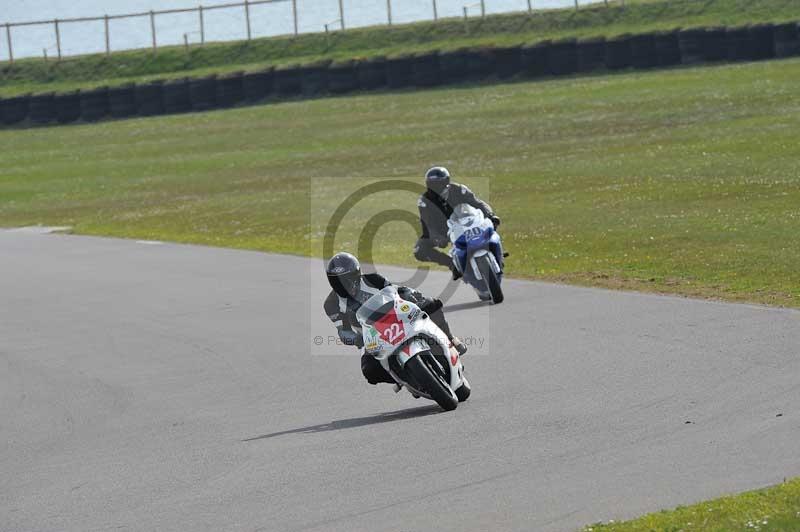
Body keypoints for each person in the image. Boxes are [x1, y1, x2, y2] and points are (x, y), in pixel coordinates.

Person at [323, 252, 467, 385]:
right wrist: (356, 339)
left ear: (356, 274)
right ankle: (406, 378)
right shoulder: (331, 304)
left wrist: (412, 295)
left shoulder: (372, 279)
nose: (343, 284)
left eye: (346, 279)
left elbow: (396, 290)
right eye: (337, 281)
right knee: (369, 371)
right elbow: (343, 331)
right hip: (371, 338)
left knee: (432, 304)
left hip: (397, 317)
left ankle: (450, 340)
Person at [414, 166, 501, 279]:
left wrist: (490, 215)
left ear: (446, 182)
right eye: (432, 184)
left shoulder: (459, 190)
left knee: (491, 227)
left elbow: (478, 203)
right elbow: (427, 224)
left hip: (466, 222)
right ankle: (452, 264)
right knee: (419, 250)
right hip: (443, 231)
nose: (436, 187)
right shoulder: (424, 201)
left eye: (438, 184)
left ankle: (496, 253)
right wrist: (436, 237)